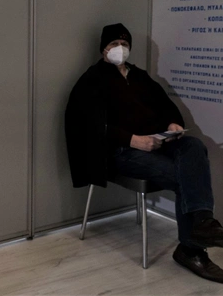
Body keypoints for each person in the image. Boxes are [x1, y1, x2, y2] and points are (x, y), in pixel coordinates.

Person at [65, 22, 223, 283]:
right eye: (114, 44)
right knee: (185, 176)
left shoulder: (140, 76)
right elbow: (86, 124)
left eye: (124, 44)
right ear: (103, 48)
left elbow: (166, 106)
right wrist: (132, 140)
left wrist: (173, 123)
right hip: (121, 152)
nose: (120, 48)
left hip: (158, 142)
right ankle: (192, 249)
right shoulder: (92, 80)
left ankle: (203, 222)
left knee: (194, 146)